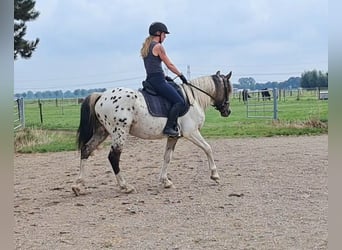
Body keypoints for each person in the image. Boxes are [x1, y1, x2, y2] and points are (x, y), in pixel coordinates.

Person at [140, 22, 188, 137]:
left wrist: (164, 76)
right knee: (179, 101)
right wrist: (181, 75)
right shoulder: (158, 47)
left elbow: (153, 67)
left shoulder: (146, 47)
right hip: (158, 81)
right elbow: (170, 65)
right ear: (158, 33)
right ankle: (169, 128)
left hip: (151, 79)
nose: (165, 37)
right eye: (164, 34)